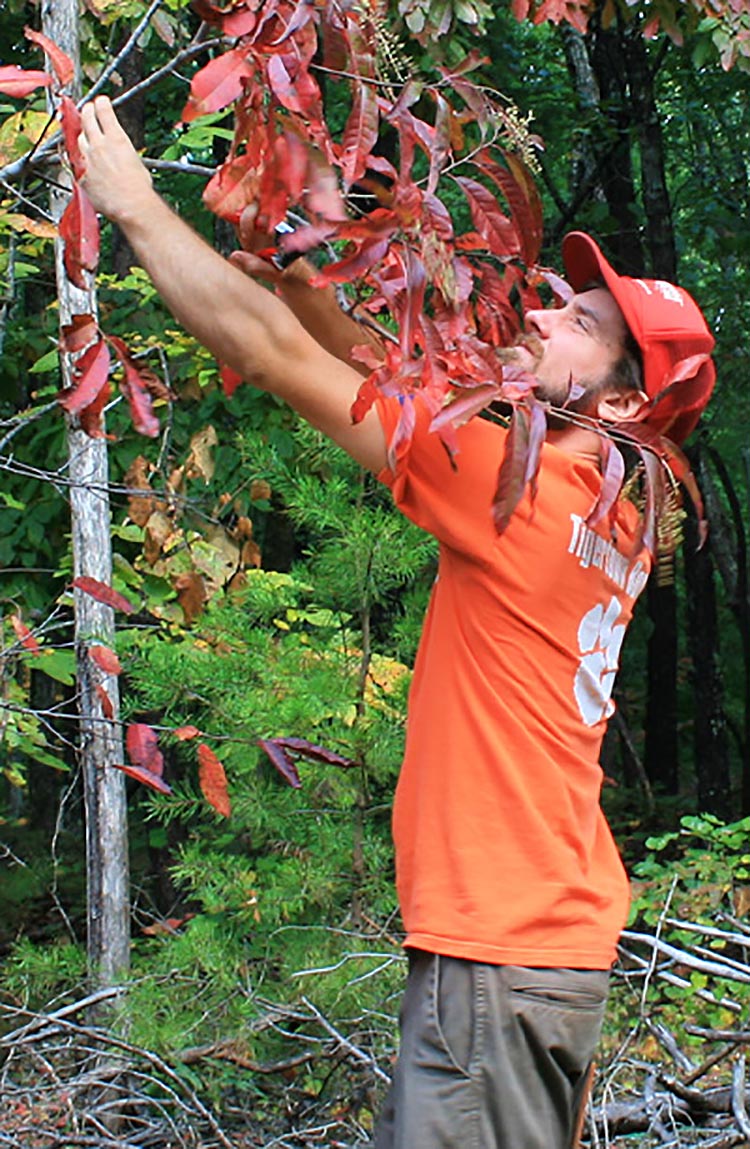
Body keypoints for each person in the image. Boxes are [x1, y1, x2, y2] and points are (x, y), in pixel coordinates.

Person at [79, 95, 716, 1149]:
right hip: (535, 947)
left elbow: (278, 356)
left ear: (616, 404)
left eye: (581, 326)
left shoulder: (527, 485)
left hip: (502, 953)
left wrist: (135, 203)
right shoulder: (602, 498)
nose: (546, 314)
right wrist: (307, 271)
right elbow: (396, 372)